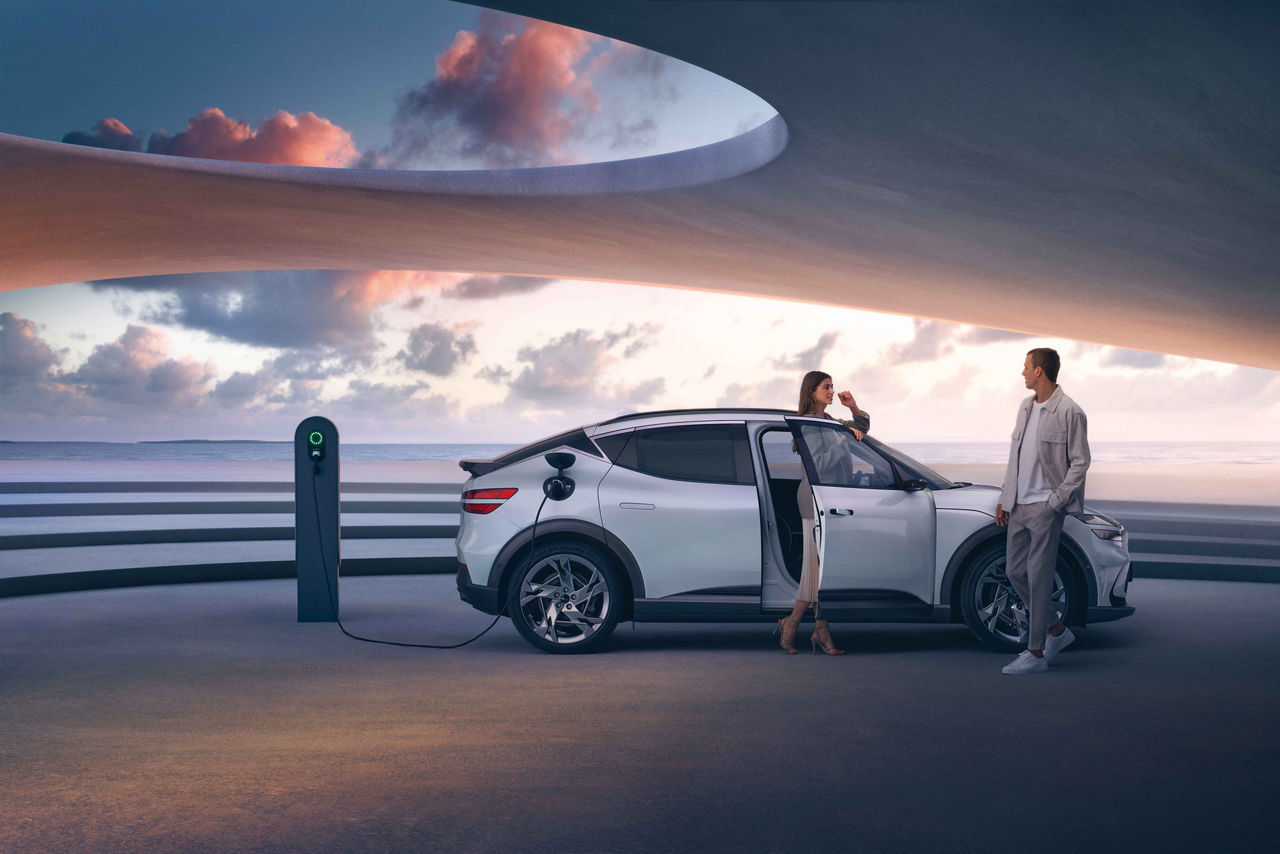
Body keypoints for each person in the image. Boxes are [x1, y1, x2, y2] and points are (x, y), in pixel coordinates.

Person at [995, 347, 1090, 675]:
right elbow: (1015, 457)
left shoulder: (1070, 412)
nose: (1022, 373)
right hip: (1019, 505)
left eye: (1025, 367)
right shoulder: (1025, 408)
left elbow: (1081, 462)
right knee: (1014, 571)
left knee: (1038, 579)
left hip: (1046, 507)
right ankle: (1057, 630)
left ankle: (1035, 653)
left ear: (1039, 371)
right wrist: (1006, 499)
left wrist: (1056, 501)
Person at [774, 370, 869, 655]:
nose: (831, 391)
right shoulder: (808, 424)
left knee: (818, 572)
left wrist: (852, 407)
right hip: (815, 504)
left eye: (832, 387)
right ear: (811, 391)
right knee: (815, 572)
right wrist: (841, 441)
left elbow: (863, 427)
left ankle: (803, 625)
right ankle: (805, 626)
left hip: (830, 503)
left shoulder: (828, 421)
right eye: (826, 387)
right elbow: (821, 464)